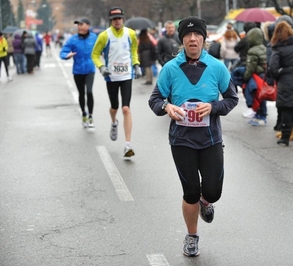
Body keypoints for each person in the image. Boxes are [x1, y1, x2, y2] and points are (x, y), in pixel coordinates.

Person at [148, 16, 238, 257]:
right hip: (182, 141)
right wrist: (167, 107)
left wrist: (213, 107)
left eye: (197, 34)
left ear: (204, 38)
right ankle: (192, 236)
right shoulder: (170, 69)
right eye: (187, 35)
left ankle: (205, 201)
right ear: (182, 40)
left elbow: (232, 98)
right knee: (189, 192)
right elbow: (154, 100)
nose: (192, 38)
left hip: (210, 140)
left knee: (213, 191)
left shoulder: (217, 67)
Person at [91, 6, 142, 158]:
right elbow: (94, 54)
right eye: (114, 19)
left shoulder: (130, 33)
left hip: (126, 75)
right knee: (115, 107)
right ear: (110, 21)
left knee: (126, 108)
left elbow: (133, 51)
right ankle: (114, 123)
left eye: (119, 18)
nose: (117, 21)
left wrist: (136, 64)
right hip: (111, 76)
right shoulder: (104, 36)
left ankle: (127, 145)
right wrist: (101, 67)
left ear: (123, 19)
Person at [60, 18, 98, 128]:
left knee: (89, 92)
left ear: (88, 26)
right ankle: (84, 114)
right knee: (81, 93)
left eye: (81, 24)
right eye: (78, 25)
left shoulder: (93, 38)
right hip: (78, 71)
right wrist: (66, 55)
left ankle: (90, 116)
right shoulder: (73, 39)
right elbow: (63, 51)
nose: (79, 27)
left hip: (90, 70)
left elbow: (102, 48)